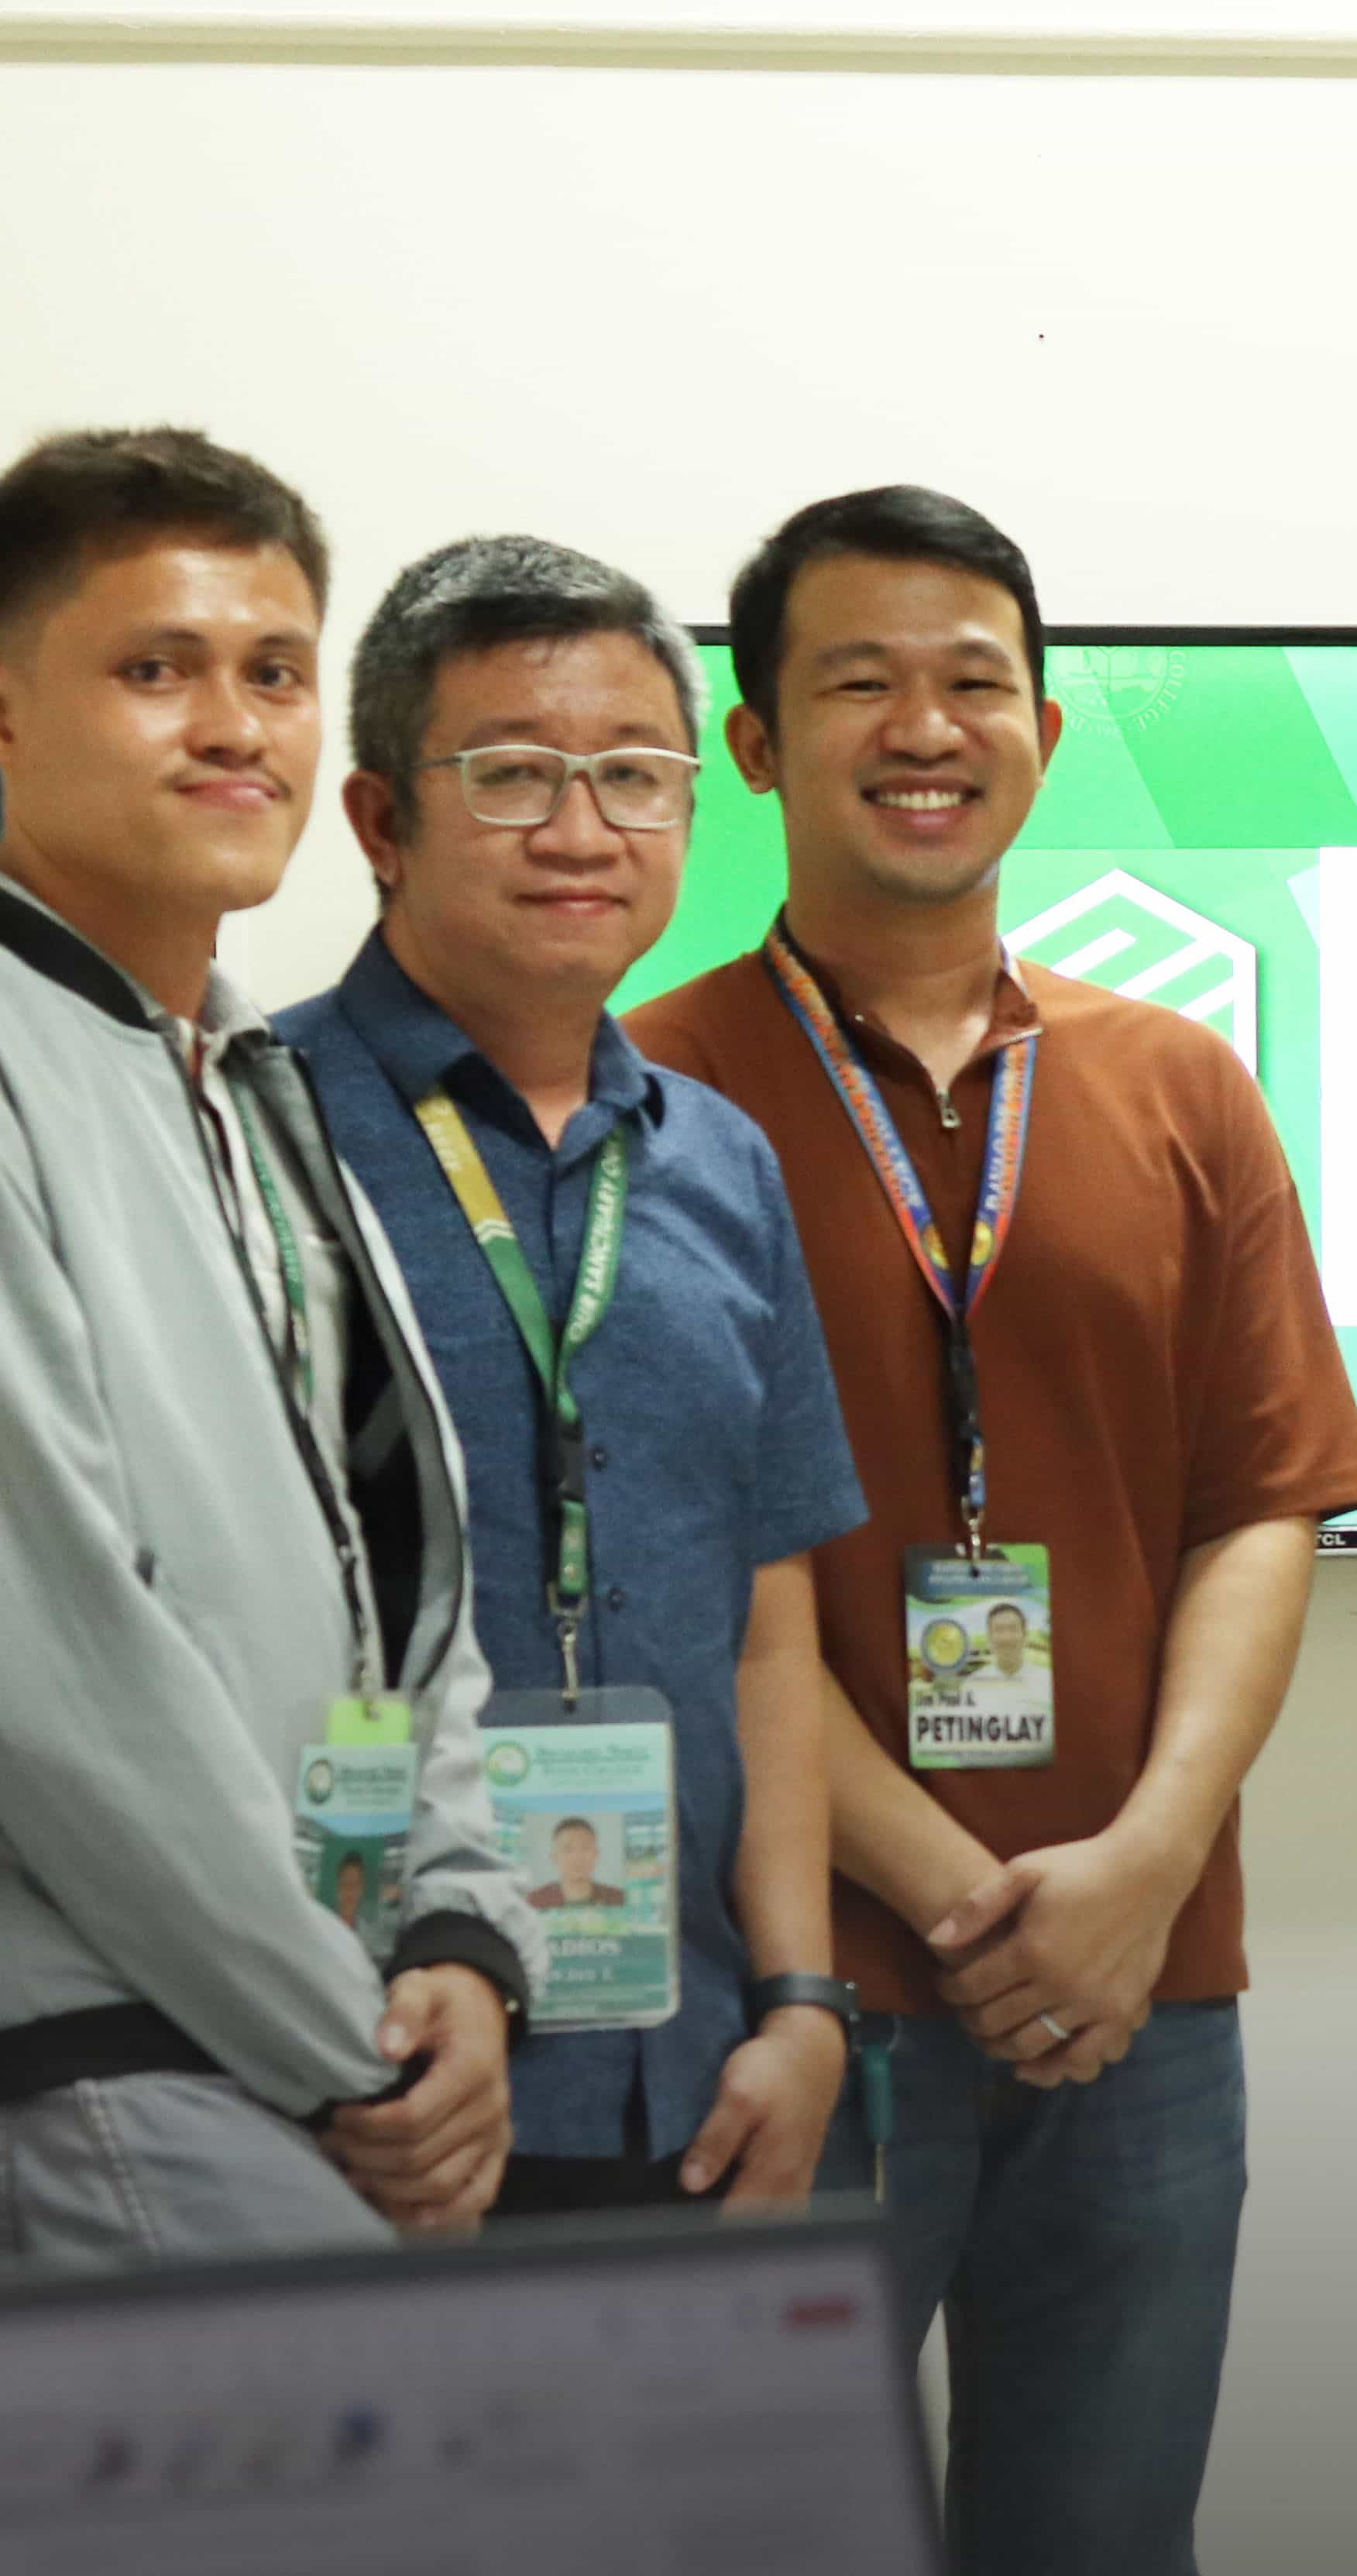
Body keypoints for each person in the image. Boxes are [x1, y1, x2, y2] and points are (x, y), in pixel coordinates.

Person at [627, 486, 1357, 2576]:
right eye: (857, 680)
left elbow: (1265, 1504)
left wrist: (1139, 1869)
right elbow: (677, 1574)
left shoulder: (1177, 1083)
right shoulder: (643, 1095)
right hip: (793, 2001)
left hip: (1150, 1996)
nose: (922, 726)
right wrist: (971, 1900)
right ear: (756, 743)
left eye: (971, 681)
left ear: (1044, 732)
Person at [276, 533, 870, 2222]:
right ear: (382, 817)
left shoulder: (724, 1165)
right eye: (516, 775)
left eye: (633, 775)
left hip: (691, 2076)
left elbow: (768, 1615)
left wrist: (802, 1996)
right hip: (367, 2066)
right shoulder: (250, 1128)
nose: (584, 829)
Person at [0, 427, 539, 2268]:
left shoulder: (252, 1076)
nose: (236, 724)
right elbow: (59, 1677)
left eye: (276, 672)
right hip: (109, 2062)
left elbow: (413, 1586)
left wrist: (463, 1946)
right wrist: (348, 2051)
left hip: (334, 2036)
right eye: (156, 669)